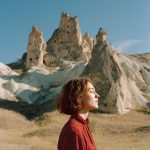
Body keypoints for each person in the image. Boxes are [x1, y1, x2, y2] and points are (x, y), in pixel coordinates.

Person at [57, 78, 100, 150]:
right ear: (78, 96)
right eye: (91, 91)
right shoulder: (74, 131)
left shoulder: (83, 125)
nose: (97, 95)